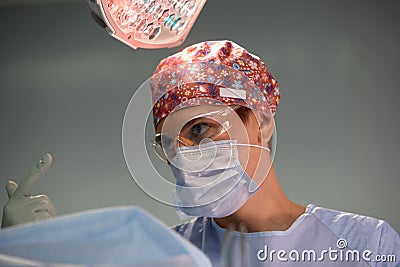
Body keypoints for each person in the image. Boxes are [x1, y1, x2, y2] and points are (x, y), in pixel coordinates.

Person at [3, 40, 400, 267]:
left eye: (200, 129)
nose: (186, 156)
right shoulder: (164, 255)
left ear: (260, 121)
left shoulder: (365, 244)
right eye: (171, 144)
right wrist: (32, 249)